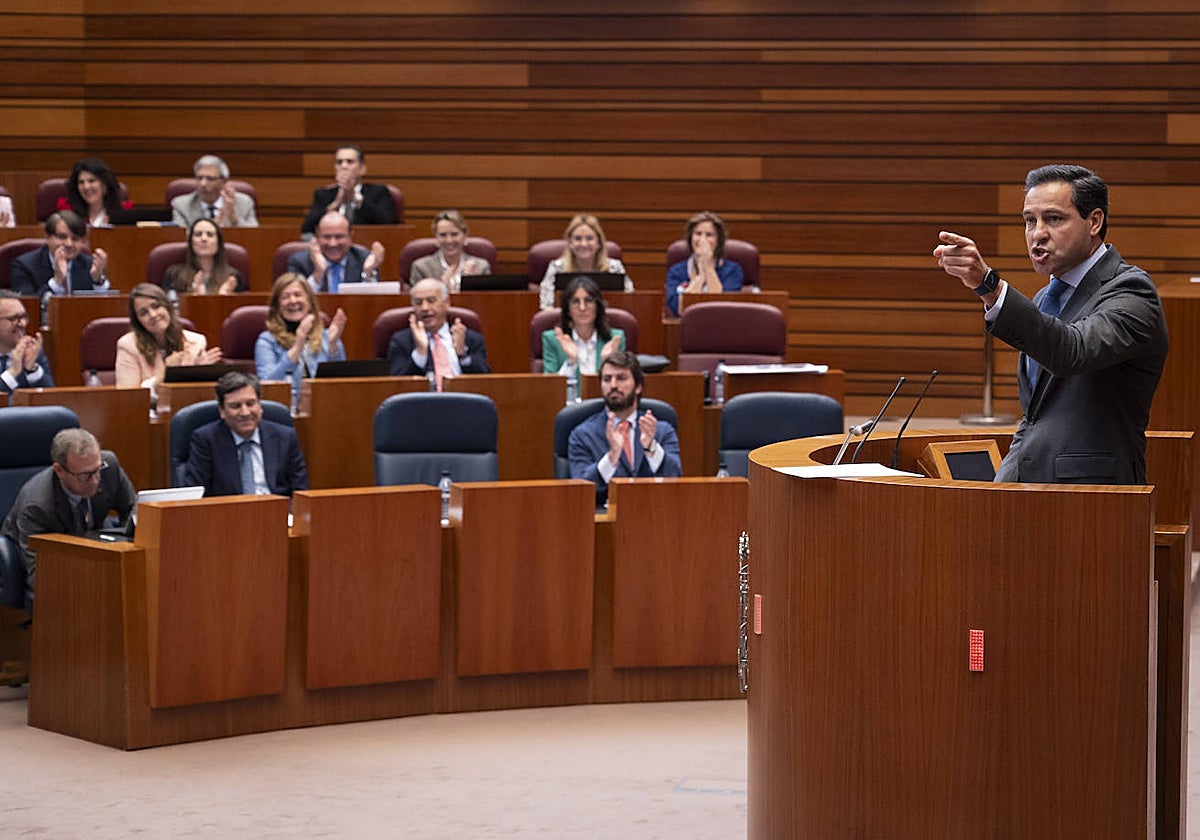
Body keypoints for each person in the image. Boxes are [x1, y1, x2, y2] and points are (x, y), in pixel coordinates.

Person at [934, 163, 1168, 484]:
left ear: (1094, 222)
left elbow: (1071, 351)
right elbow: (1035, 418)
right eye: (1030, 220)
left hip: (1096, 499)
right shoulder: (1046, 297)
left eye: (1054, 219)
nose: (1037, 233)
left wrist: (989, 286)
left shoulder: (1131, 291)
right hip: (1032, 492)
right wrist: (1002, 482)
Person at [1, 428, 136, 612]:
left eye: (97, 470)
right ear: (59, 470)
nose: (95, 480)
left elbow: (133, 511)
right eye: (85, 475)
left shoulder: (108, 465)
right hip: (51, 561)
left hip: (92, 547)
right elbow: (40, 575)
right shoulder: (37, 506)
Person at [568, 351, 681, 505]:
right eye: (607, 379)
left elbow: (676, 480)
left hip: (654, 516)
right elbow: (579, 492)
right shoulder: (582, 434)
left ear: (638, 387)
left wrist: (651, 447)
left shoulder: (661, 431)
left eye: (621, 378)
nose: (613, 385)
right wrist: (611, 457)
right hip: (605, 520)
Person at [183, 371, 309, 497]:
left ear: (260, 406)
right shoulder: (206, 440)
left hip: (278, 512)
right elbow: (196, 497)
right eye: (235, 406)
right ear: (222, 411)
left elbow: (301, 493)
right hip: (229, 514)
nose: (245, 412)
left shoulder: (285, 437)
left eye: (250, 404)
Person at [255, 272, 347, 396]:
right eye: (285, 297)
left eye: (297, 295)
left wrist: (333, 345)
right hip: (285, 407)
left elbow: (340, 384)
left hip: (322, 405)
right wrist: (298, 344)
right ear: (277, 305)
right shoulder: (267, 341)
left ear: (309, 301)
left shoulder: (327, 336)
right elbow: (268, 384)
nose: (292, 301)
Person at [387, 278, 490, 388]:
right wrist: (420, 354)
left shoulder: (470, 339)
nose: (424, 308)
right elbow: (397, 386)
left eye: (431, 301)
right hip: (421, 403)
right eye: (418, 303)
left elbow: (486, 383)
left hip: (464, 401)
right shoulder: (401, 341)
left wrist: (463, 355)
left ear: (446, 303)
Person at [115, 283, 222, 388]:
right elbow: (128, 395)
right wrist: (167, 373)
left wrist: (202, 373)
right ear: (138, 321)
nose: (153, 315)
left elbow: (199, 391)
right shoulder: (128, 346)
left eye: (156, 306)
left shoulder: (196, 341)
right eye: (143, 313)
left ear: (167, 307)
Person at [538, 213, 633, 309]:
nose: (583, 244)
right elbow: (546, 306)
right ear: (570, 243)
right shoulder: (557, 268)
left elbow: (630, 300)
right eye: (578, 239)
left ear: (599, 243)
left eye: (589, 238)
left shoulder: (614, 268)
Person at [9, 211, 110, 298]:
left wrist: (97, 281)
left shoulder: (90, 265)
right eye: (62, 237)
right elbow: (27, 308)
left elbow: (106, 307)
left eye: (75, 239)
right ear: (48, 237)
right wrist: (57, 281)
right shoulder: (24, 266)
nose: (69, 244)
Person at [300, 145, 396, 235]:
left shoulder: (378, 192)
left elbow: (389, 224)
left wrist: (355, 198)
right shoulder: (323, 194)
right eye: (339, 162)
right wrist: (336, 204)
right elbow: (306, 229)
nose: (343, 166)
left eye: (350, 162)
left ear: (362, 169)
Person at [542, 275, 625, 377]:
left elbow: (621, 384)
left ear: (597, 306)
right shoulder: (552, 340)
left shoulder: (614, 340)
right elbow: (550, 386)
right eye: (575, 302)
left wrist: (606, 362)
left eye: (588, 301)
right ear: (568, 309)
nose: (582, 308)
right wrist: (571, 362)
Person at [665, 211, 745, 316]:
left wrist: (708, 267)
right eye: (698, 234)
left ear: (718, 240)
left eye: (709, 235)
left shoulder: (732, 270)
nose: (702, 240)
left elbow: (721, 308)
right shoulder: (676, 271)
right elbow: (681, 310)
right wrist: (701, 276)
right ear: (690, 238)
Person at [287, 212, 385, 292]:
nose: (332, 244)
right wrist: (318, 274)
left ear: (350, 236)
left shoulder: (364, 259)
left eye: (339, 237)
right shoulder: (299, 262)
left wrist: (368, 273)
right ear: (317, 237)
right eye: (326, 237)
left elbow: (371, 303)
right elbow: (296, 300)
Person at [409, 209, 492, 291]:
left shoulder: (481, 267)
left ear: (465, 236)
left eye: (454, 234)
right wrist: (441, 287)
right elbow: (417, 301)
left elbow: (487, 301)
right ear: (436, 237)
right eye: (443, 235)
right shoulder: (422, 268)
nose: (449, 240)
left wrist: (473, 281)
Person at [170, 154, 259, 228]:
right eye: (199, 178)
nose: (203, 184)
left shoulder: (244, 202)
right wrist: (219, 219)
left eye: (210, 179)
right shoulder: (181, 205)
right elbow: (182, 238)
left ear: (224, 181)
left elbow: (254, 235)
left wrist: (234, 220)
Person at [162, 218, 245, 295]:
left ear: (218, 242)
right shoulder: (173, 274)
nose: (204, 239)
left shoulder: (232, 276)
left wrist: (223, 299)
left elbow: (241, 308)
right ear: (191, 242)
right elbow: (169, 307)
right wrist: (194, 298)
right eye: (198, 234)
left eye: (210, 234)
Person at [0, 290, 53, 395]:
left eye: (24, 317)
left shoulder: (32, 352)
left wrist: (32, 370)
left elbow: (50, 399)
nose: (23, 324)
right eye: (14, 318)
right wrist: (12, 372)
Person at [58, 157, 129, 227]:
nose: (86, 187)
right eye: (81, 182)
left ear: (105, 185)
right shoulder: (68, 215)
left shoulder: (121, 215)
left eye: (91, 181)